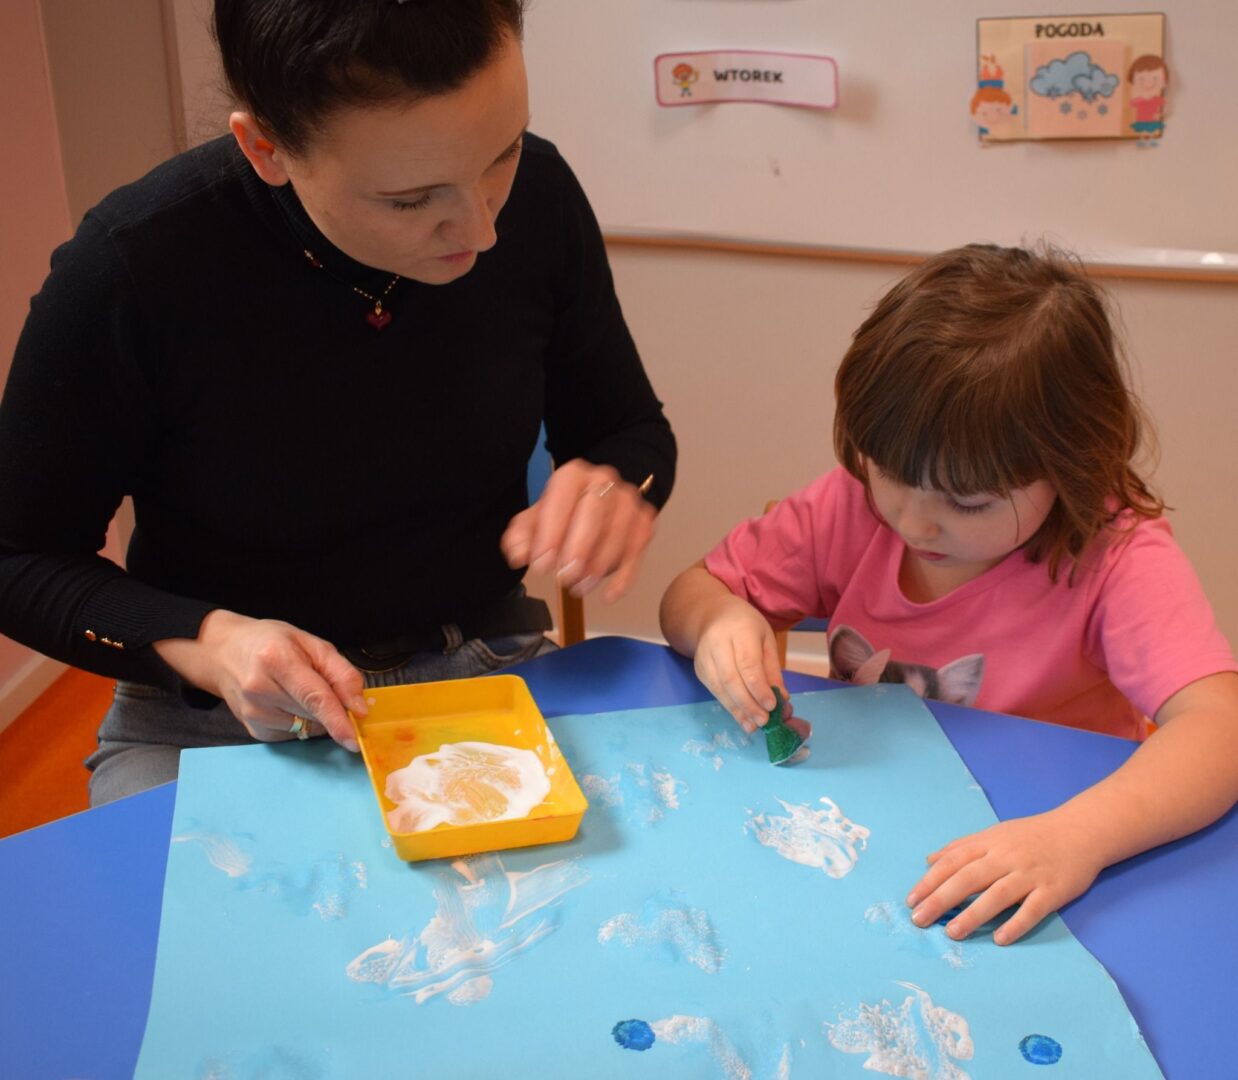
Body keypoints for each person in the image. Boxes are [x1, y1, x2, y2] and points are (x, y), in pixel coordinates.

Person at [0, 0, 675, 805]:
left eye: (504, 152)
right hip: (218, 714)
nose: (482, 230)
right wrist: (209, 643)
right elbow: (18, 560)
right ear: (267, 148)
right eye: (410, 199)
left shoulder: (541, 196)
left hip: (480, 668)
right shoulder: (133, 268)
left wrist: (616, 485)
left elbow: (629, 430)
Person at [660, 244, 1238, 945]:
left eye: (968, 503)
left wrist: (1076, 836)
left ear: (1072, 467)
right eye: (889, 474)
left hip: (1056, 849)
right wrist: (718, 619)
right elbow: (690, 593)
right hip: (876, 829)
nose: (914, 523)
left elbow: (1220, 729)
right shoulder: (850, 507)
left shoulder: (1114, 555)